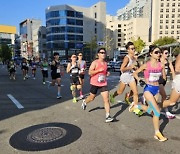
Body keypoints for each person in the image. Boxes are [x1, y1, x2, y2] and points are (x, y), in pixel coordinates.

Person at [131, 45, 167, 142]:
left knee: (151, 110)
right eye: (156, 52)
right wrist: (139, 80)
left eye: (159, 52)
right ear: (151, 54)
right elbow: (134, 73)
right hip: (148, 90)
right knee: (157, 112)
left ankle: (137, 106)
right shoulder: (146, 65)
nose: (159, 54)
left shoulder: (161, 65)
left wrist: (162, 82)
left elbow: (164, 77)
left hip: (156, 89)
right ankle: (157, 133)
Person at [81, 48, 114, 123]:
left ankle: (108, 115)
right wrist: (98, 70)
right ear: (98, 54)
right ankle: (85, 102)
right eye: (101, 52)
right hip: (95, 83)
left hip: (103, 83)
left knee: (106, 99)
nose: (103, 54)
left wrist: (107, 73)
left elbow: (104, 72)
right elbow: (90, 72)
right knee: (92, 98)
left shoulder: (105, 63)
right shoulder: (95, 62)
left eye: (104, 53)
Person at [109, 42, 142, 115]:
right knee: (120, 92)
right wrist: (131, 67)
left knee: (135, 92)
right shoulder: (127, 58)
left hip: (131, 76)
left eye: (134, 48)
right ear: (128, 50)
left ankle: (135, 108)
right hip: (125, 76)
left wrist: (136, 65)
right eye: (132, 49)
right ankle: (113, 95)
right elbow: (122, 69)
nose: (134, 50)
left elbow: (137, 68)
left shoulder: (134, 58)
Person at [158, 48, 175, 119]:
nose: (167, 55)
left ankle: (164, 110)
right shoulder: (157, 61)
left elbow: (172, 70)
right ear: (161, 54)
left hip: (164, 80)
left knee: (163, 96)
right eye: (166, 53)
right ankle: (166, 111)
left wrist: (175, 81)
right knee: (163, 96)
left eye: (168, 53)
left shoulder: (168, 61)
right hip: (158, 80)